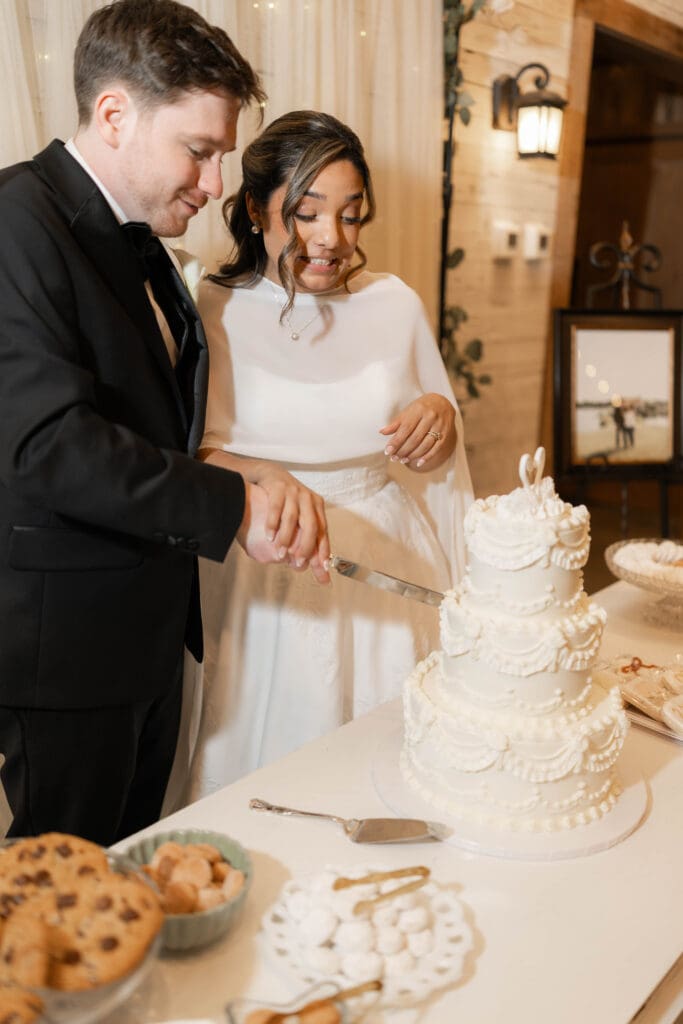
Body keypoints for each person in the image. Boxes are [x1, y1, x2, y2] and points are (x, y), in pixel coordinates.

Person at [0, 2, 329, 846]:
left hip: (141, 637)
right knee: (62, 912)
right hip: (63, 655)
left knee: (130, 871)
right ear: (114, 115)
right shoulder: (15, 222)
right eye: (200, 150)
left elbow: (143, 417)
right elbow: (46, 446)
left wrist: (235, 466)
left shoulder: (136, 238)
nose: (215, 183)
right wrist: (232, 509)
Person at [190, 110, 473, 797]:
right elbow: (185, 456)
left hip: (386, 554)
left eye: (351, 216)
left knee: (397, 765)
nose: (331, 239)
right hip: (265, 569)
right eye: (307, 213)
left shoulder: (393, 303)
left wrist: (440, 415)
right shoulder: (208, 305)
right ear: (256, 209)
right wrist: (261, 479)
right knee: (272, 765)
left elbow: (436, 455)